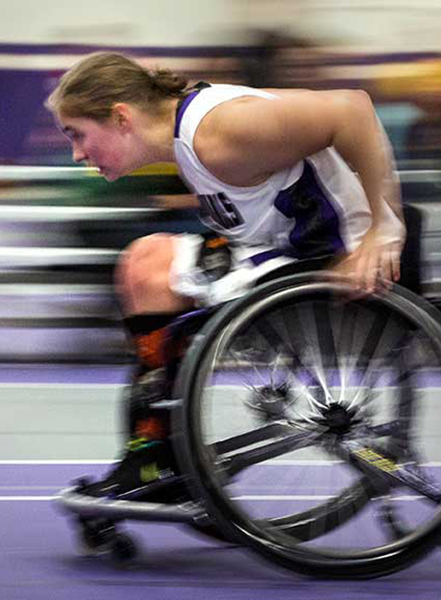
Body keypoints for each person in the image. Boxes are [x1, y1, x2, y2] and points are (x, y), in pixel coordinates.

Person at [45, 52, 406, 497]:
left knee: (151, 266)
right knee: (146, 263)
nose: (77, 153)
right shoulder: (190, 131)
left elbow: (352, 109)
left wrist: (383, 230)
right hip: (282, 256)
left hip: (331, 263)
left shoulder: (219, 132)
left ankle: (159, 456)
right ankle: (155, 451)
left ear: (121, 117)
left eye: (77, 135)